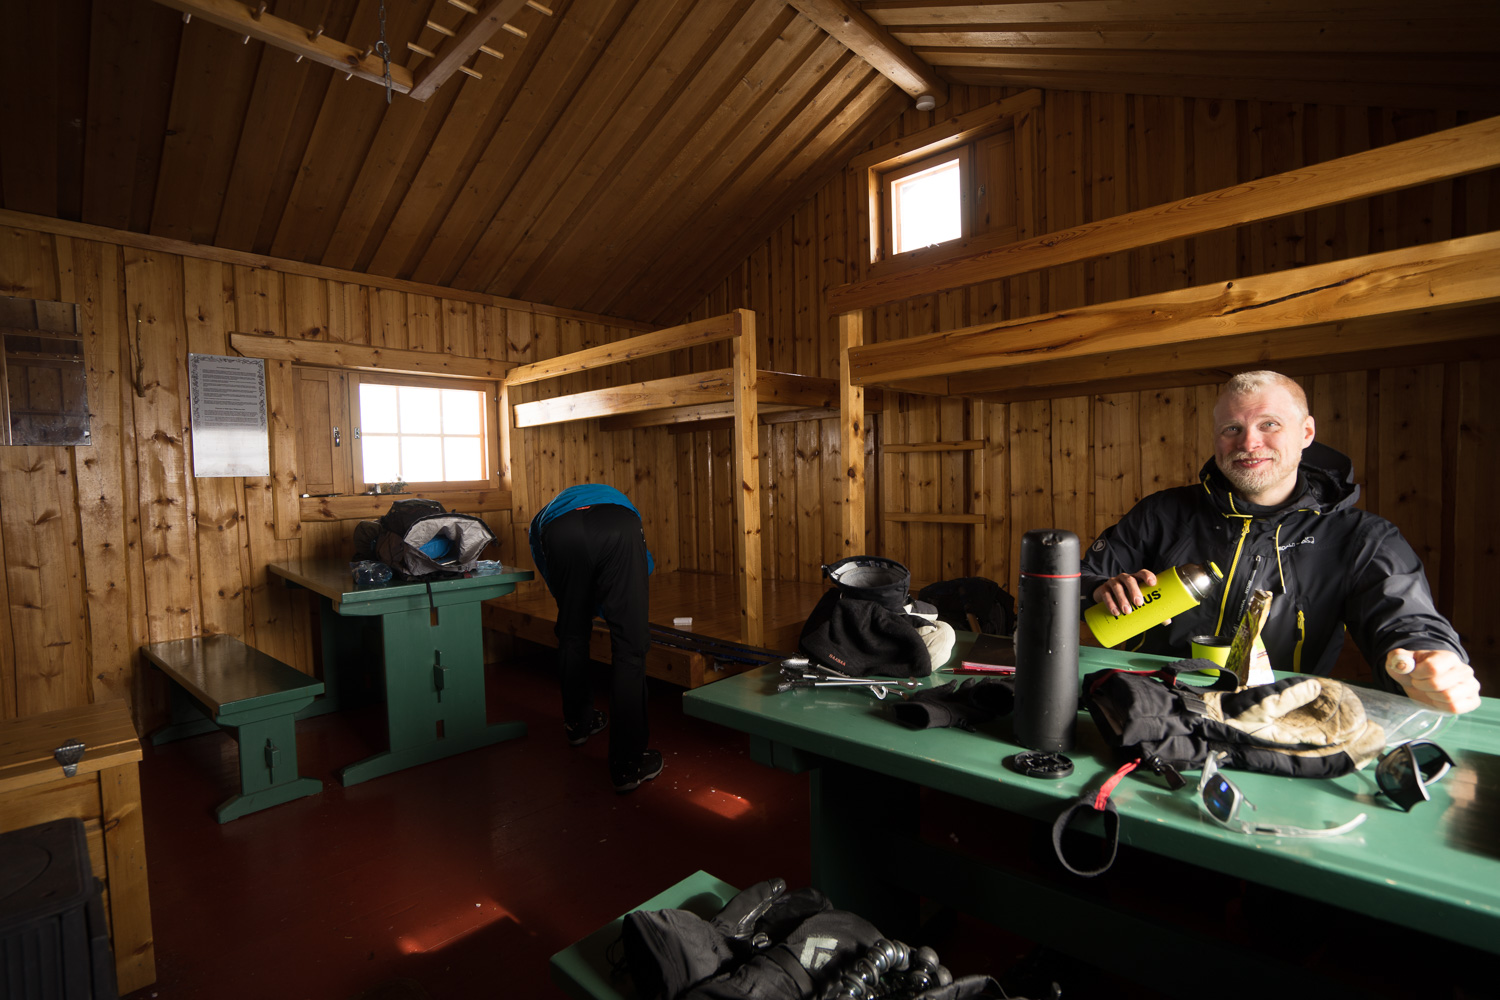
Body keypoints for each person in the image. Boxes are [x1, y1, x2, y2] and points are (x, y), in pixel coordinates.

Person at [1081, 371, 1481, 714]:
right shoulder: (1162, 512)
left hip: (1279, 719)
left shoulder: (1362, 538)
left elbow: (1407, 621)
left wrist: (1429, 658)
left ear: (1306, 432)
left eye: (1268, 424)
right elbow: (1079, 579)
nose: (1249, 443)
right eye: (1232, 429)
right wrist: (1098, 589)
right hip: (1148, 706)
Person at [530, 483, 662, 791]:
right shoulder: (621, 506)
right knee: (630, 648)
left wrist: (575, 607)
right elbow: (644, 566)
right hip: (617, 528)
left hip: (560, 533)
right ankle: (628, 766)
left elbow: (550, 571)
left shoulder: (543, 519)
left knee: (571, 633)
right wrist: (619, 606)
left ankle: (578, 724)